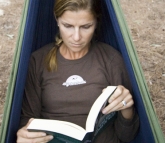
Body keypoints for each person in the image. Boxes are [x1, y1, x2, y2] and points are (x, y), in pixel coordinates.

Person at [16, 0, 139, 142]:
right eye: (67, 26)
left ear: (96, 22)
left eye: (86, 26)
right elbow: (27, 121)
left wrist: (126, 108)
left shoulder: (111, 59)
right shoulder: (38, 61)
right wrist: (24, 135)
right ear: (57, 20)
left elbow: (128, 136)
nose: (76, 37)